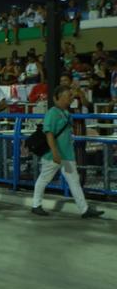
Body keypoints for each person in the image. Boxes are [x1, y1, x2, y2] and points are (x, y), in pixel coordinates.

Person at [31, 86, 104, 219]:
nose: (70, 98)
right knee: (44, 179)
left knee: (73, 181)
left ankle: (84, 209)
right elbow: (49, 134)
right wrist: (54, 152)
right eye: (67, 96)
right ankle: (36, 205)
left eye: (70, 96)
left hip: (66, 156)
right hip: (54, 155)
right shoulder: (52, 113)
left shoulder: (66, 113)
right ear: (57, 98)